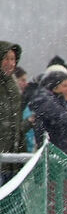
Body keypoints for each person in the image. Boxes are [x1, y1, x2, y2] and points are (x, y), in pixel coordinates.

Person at [0, 41, 24, 184]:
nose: (11, 63)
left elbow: (16, 124)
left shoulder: (13, 86)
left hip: (12, 160)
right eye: (6, 58)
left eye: (13, 59)